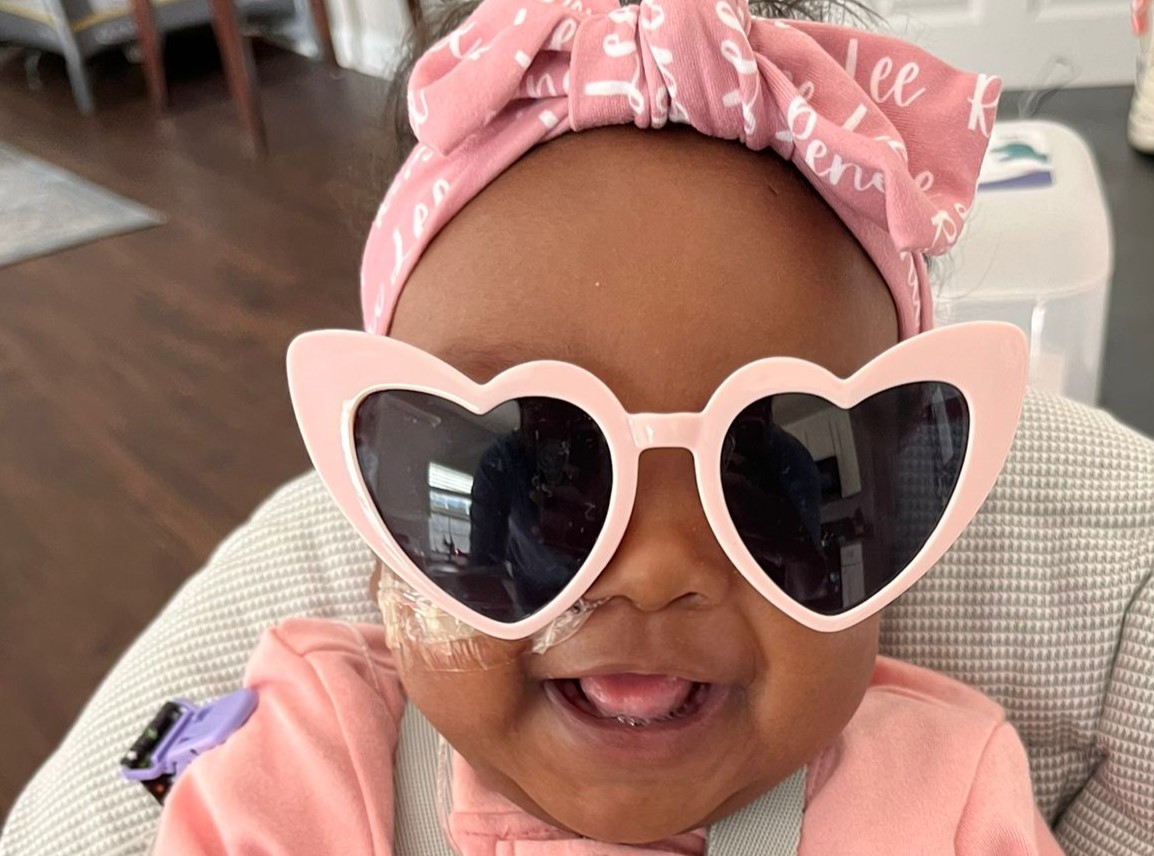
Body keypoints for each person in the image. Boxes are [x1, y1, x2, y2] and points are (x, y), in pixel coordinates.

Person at [151, 0, 1063, 851]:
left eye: (778, 484)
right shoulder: (302, 769)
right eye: (532, 472)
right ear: (381, 522)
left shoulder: (943, 801)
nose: (656, 573)